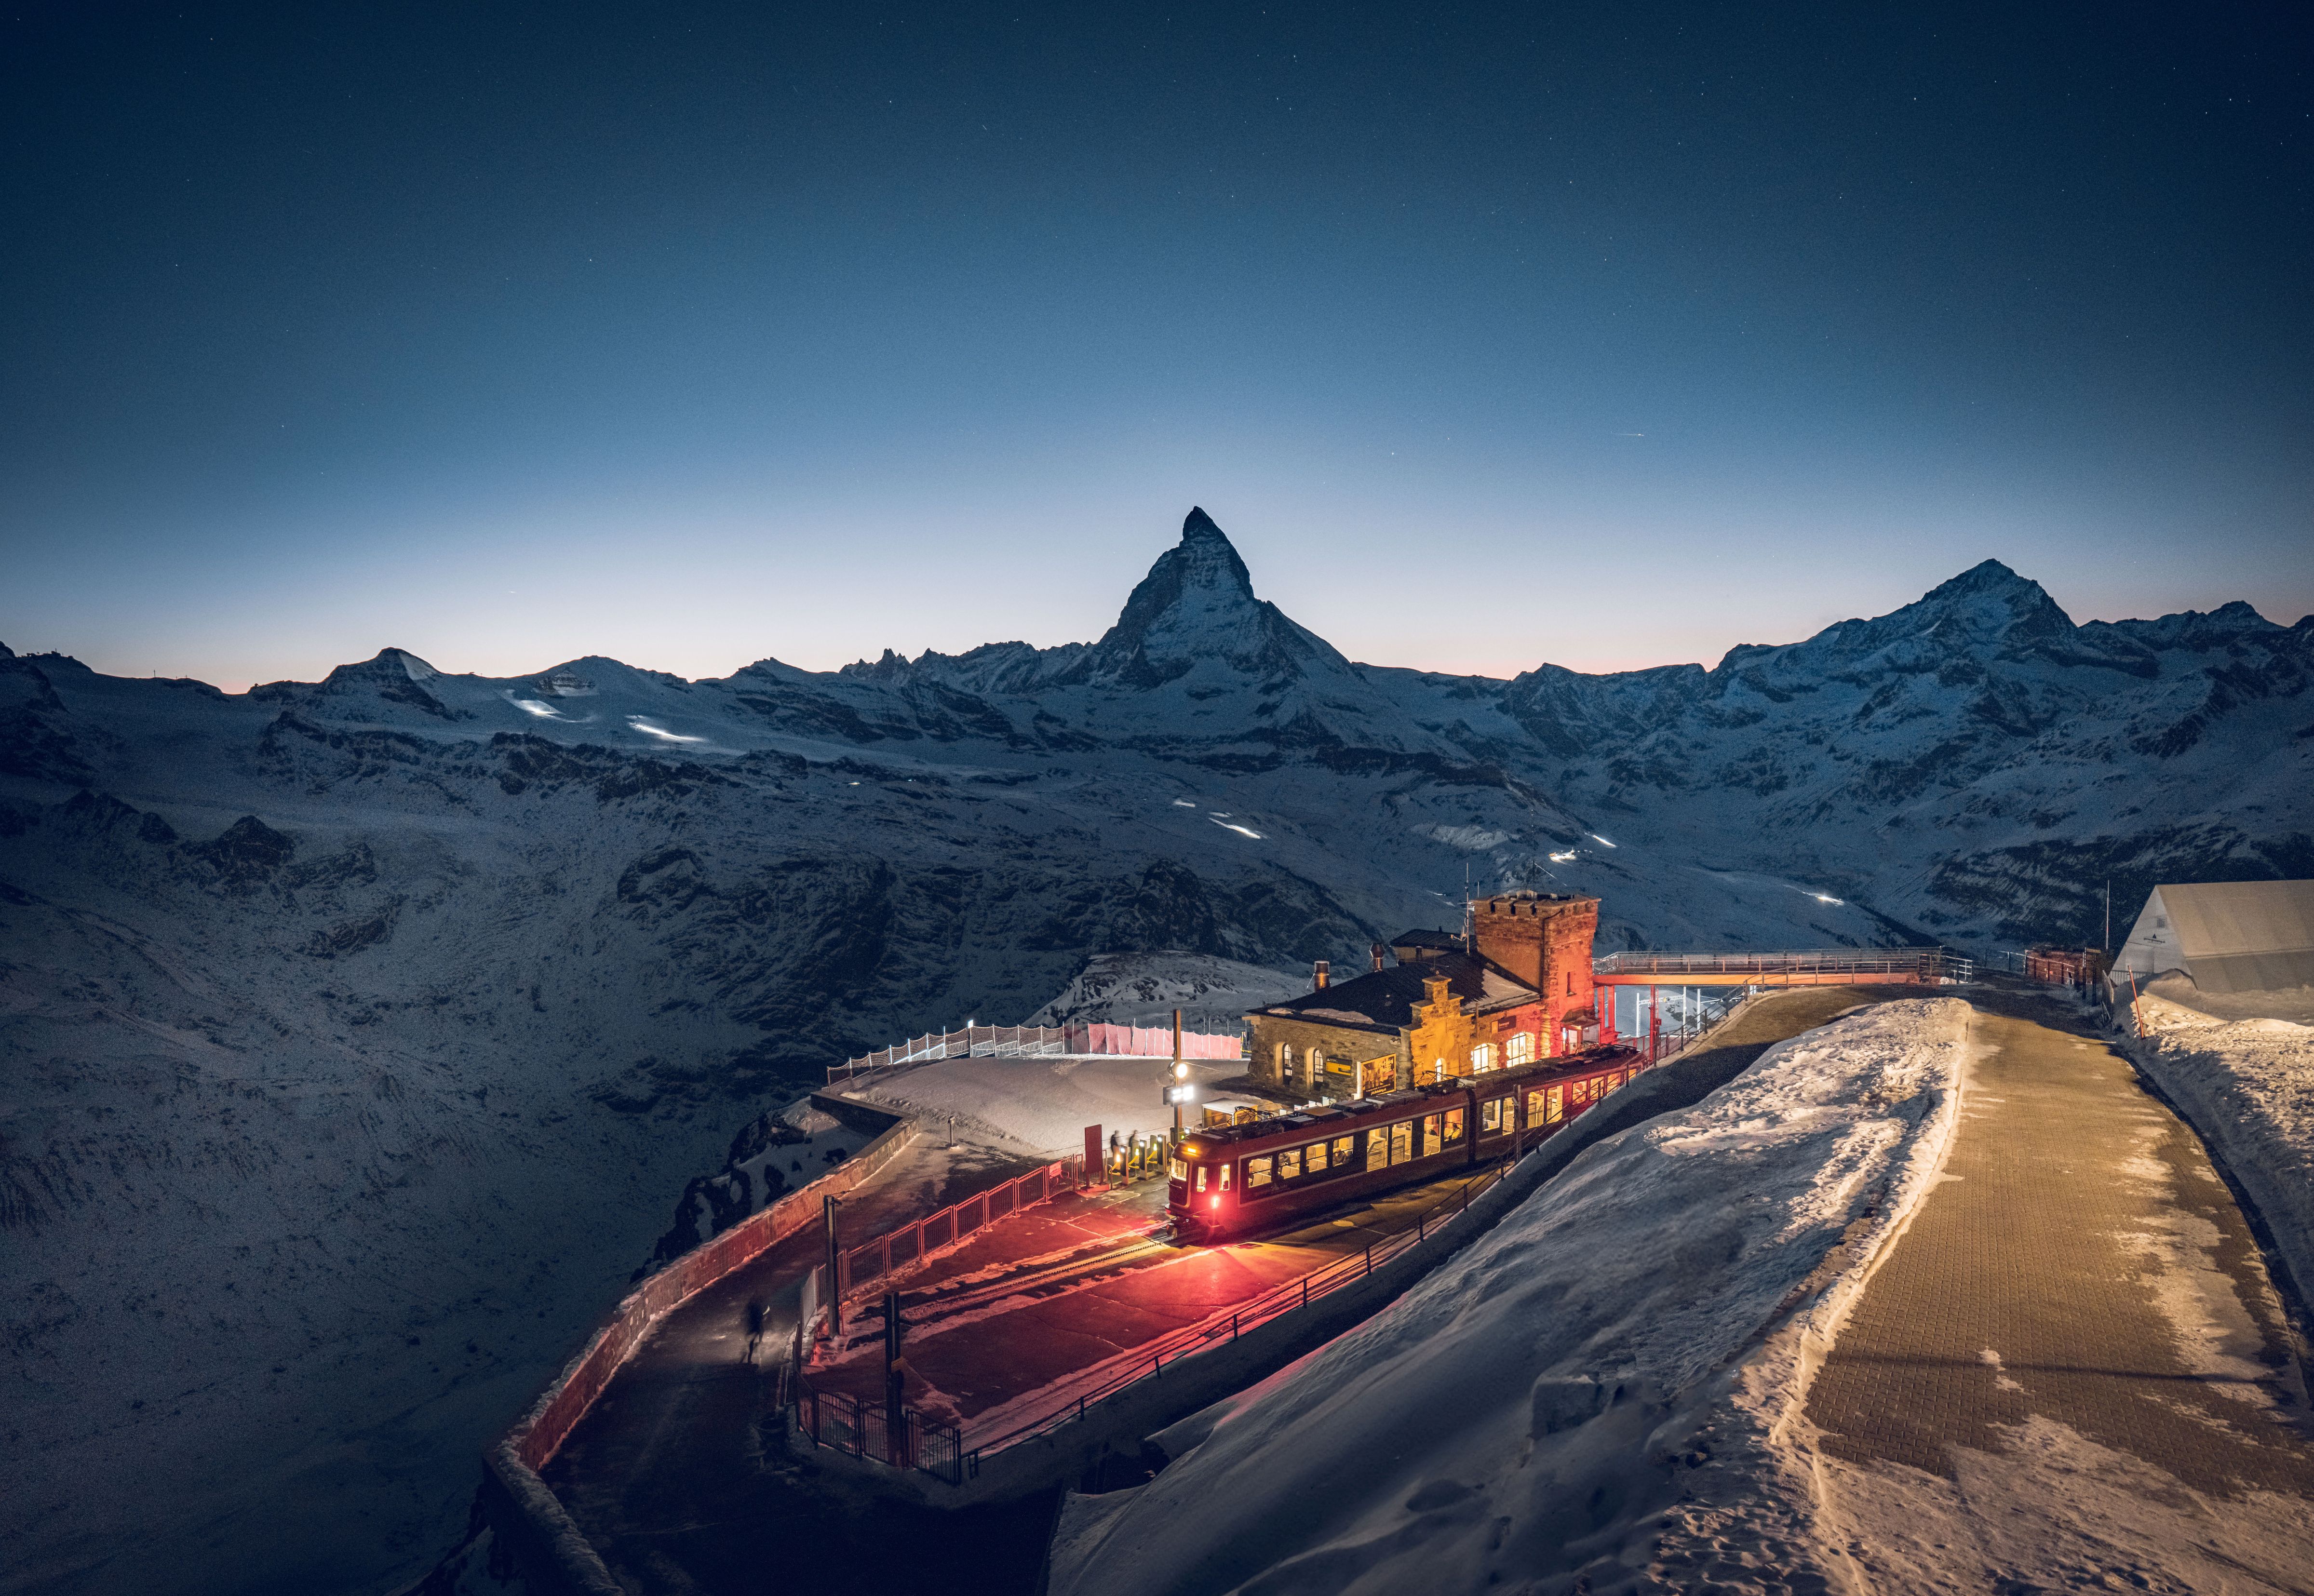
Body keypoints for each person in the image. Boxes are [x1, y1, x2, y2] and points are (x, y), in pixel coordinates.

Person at [743, 1297, 767, 1365]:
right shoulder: (757, 1309)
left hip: (754, 1326)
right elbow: (759, 1317)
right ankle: (749, 1359)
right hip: (756, 1326)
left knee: (754, 1339)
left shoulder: (753, 1309)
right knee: (759, 1333)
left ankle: (749, 1359)